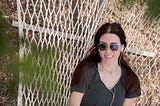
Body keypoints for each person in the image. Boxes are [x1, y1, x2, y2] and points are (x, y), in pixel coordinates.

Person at [69, 22, 141, 106]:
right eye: (103, 46)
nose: (108, 51)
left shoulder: (131, 80)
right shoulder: (86, 71)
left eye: (113, 46)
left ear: (122, 47)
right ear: (97, 47)